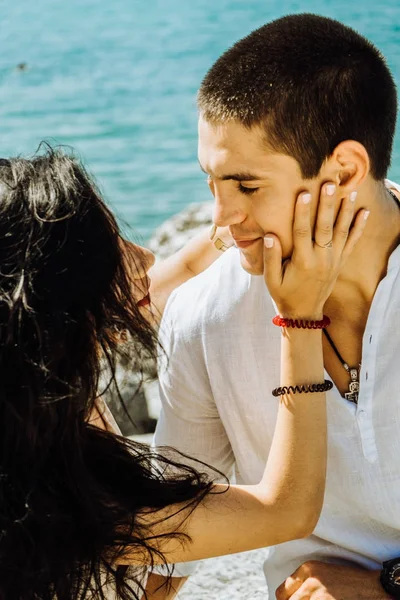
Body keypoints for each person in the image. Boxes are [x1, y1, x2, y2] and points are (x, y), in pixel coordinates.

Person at [0, 148, 366, 600]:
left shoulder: (33, 408)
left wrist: (233, 232)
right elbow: (285, 510)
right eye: (114, 248)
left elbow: (174, 277)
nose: (147, 257)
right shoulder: (58, 487)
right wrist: (300, 320)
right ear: (60, 298)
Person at [148, 13, 400, 600]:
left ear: (344, 171)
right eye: (213, 184)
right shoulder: (204, 316)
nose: (221, 220)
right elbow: (168, 542)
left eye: (247, 186)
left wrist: (384, 586)